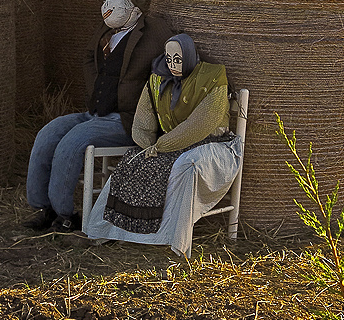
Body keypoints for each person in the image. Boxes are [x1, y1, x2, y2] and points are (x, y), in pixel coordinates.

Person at [24, 0, 173, 232]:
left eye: (115, 0)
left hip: (125, 119)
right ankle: (43, 208)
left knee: (71, 143)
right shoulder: (106, 31)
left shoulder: (153, 30)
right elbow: (87, 57)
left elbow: (173, 58)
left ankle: (65, 215)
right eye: (106, 0)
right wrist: (94, 87)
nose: (108, 5)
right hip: (94, 113)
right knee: (48, 134)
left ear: (134, 8)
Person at [83, 33, 243, 256]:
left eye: (178, 59)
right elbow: (143, 117)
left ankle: (171, 238)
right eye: (169, 59)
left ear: (188, 56)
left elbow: (203, 121)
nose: (173, 64)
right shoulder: (158, 77)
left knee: (180, 167)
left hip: (207, 140)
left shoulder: (212, 77)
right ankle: (109, 230)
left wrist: (164, 145)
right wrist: (147, 144)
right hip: (167, 144)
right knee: (133, 162)